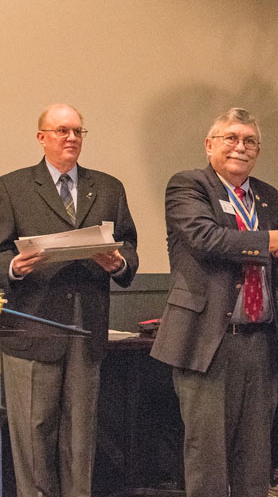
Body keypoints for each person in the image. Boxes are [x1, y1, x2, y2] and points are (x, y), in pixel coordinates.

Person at [150, 108, 278, 497]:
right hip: (208, 342)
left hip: (262, 343)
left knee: (256, 457)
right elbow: (207, 239)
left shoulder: (270, 198)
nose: (241, 147)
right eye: (231, 138)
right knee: (208, 459)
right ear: (209, 145)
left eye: (250, 141)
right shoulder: (188, 186)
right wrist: (273, 240)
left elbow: (274, 264)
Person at [0, 103, 139, 497]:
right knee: (34, 434)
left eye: (78, 131)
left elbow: (129, 246)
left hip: (85, 329)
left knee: (80, 437)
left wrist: (118, 262)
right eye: (62, 131)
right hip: (31, 328)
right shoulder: (11, 187)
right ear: (41, 137)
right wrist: (13, 267)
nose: (72, 138)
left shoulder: (108, 188)